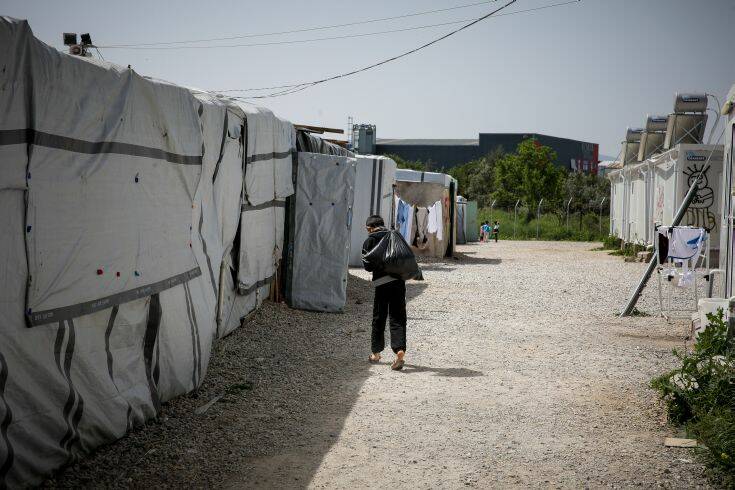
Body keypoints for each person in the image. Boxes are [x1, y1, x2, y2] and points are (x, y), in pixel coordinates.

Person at [362, 215, 407, 371]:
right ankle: (399, 351)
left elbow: (367, 266)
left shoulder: (370, 240)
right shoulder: (395, 236)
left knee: (379, 317)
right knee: (398, 317)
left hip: (382, 284)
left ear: (370, 228)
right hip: (399, 282)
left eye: (367, 229)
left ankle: (376, 353)